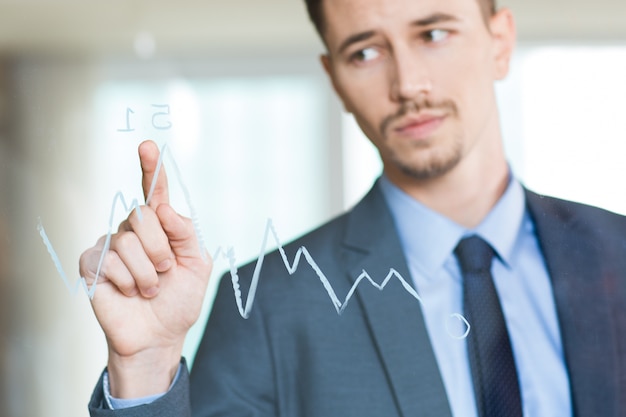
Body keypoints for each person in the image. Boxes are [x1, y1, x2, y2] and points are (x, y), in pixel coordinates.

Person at [83, 0, 626, 415]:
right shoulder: (267, 307)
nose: (409, 85)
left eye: (434, 34)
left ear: (500, 41)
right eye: (365, 51)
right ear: (335, 79)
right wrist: (146, 369)